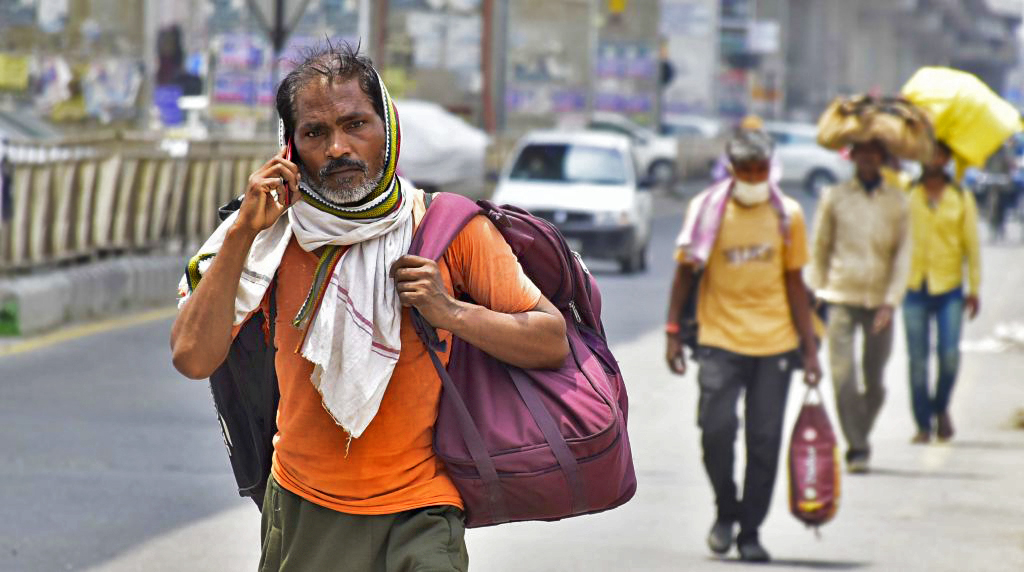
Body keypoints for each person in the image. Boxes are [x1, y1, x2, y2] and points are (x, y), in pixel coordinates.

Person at [169, 43, 569, 571]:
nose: (338, 147)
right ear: (289, 150)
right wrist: (244, 229)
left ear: (388, 128)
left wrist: (451, 313)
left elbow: (551, 339)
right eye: (315, 133)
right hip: (303, 509)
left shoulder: (449, 229)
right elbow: (193, 357)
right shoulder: (269, 239)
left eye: (355, 123)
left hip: (422, 512)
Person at [665, 129, 821, 563]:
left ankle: (750, 529)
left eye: (761, 170)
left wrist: (809, 351)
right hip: (719, 339)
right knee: (716, 430)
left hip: (775, 344)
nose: (754, 177)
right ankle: (725, 511)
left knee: (764, 439)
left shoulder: (788, 215)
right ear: (732, 170)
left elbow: (795, 284)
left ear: (771, 169)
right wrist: (673, 330)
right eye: (746, 170)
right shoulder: (706, 211)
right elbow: (683, 273)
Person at [808, 139, 911, 474]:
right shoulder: (834, 197)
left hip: (880, 302)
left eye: (874, 153)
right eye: (861, 153)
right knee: (842, 378)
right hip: (840, 296)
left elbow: (903, 257)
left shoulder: (897, 201)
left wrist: (891, 302)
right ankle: (857, 447)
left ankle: (859, 433)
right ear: (852, 157)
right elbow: (820, 247)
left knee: (875, 380)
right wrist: (817, 292)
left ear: (882, 158)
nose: (867, 159)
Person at [904, 141, 981, 443]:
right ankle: (922, 423)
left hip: (949, 287)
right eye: (929, 153)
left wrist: (974, 288)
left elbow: (971, 247)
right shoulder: (907, 194)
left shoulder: (961, 197)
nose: (934, 159)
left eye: (940, 154)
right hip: (913, 286)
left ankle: (941, 408)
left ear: (948, 159)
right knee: (918, 360)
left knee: (949, 356)